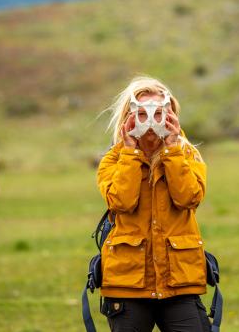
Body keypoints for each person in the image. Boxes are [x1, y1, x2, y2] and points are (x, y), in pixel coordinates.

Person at [97, 76, 211, 331]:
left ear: (171, 115)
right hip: (128, 285)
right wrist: (130, 152)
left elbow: (189, 198)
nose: (150, 120)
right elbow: (121, 203)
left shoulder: (187, 155)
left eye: (159, 112)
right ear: (129, 117)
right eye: (143, 113)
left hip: (179, 282)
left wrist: (172, 150)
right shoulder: (113, 160)